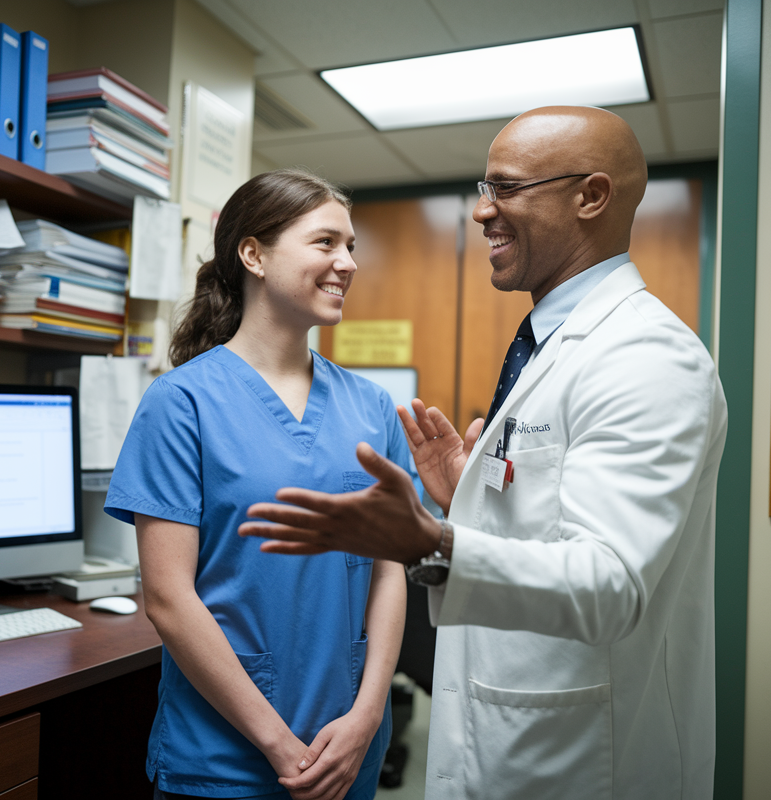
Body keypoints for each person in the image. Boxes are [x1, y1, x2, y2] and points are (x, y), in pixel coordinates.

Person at [238, 107, 728, 799]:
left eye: (506, 189)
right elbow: (556, 526)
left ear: (590, 196)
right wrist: (467, 498)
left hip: (584, 760)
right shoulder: (552, 340)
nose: (481, 212)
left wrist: (436, 542)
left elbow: (613, 582)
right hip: (517, 735)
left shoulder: (646, 356)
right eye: (483, 186)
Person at [104, 169, 414, 800]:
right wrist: (274, 741)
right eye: (325, 242)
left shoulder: (372, 407)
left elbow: (390, 570)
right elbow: (167, 597)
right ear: (254, 255)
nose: (347, 262)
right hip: (225, 757)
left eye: (351, 246)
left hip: (347, 746)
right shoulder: (181, 403)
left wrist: (368, 715)